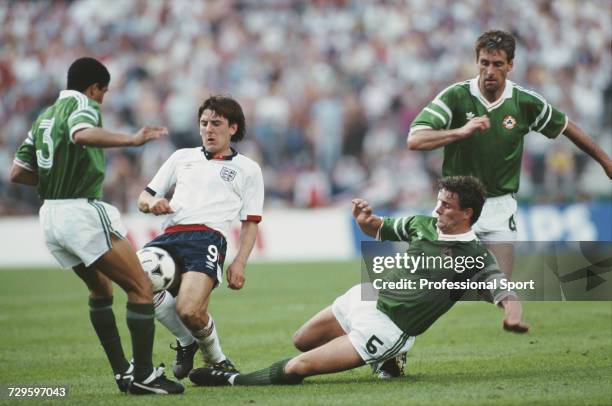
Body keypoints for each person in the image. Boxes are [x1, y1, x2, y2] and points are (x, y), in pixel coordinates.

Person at [187, 176, 529, 387]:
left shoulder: (473, 255)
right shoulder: (421, 224)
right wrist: (365, 219)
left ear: (466, 213)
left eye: (446, 206)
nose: (437, 209)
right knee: (301, 341)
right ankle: (386, 363)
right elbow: (378, 227)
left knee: (297, 368)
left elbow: (504, 290)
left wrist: (512, 315)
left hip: (388, 328)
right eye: (439, 202)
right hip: (365, 297)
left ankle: (232, 380)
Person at [9, 57, 183, 395]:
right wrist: (131, 140)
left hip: (51, 216)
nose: (102, 98)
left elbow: (18, 172)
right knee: (141, 288)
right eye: (103, 92)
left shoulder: (44, 118)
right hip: (79, 211)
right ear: (94, 88)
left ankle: (123, 373)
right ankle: (145, 376)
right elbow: (82, 134)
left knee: (101, 290)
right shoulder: (83, 105)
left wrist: (56, 179)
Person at [407, 30, 612, 279]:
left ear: (510, 65)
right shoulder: (456, 96)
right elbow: (415, 139)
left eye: (497, 64)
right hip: (455, 203)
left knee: (500, 287)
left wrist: (605, 161)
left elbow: (567, 126)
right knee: (432, 284)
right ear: (477, 62)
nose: (490, 71)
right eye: (484, 63)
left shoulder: (524, 102)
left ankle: (511, 317)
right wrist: (460, 131)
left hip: (499, 206)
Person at [137, 95, 264, 380]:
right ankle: (189, 343)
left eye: (216, 123)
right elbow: (144, 197)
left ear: (232, 128)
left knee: (189, 310)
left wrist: (240, 263)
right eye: (204, 123)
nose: (208, 129)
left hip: (207, 238)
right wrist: (151, 204)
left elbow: (251, 222)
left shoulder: (248, 169)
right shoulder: (181, 157)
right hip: (169, 236)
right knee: (138, 284)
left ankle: (214, 357)